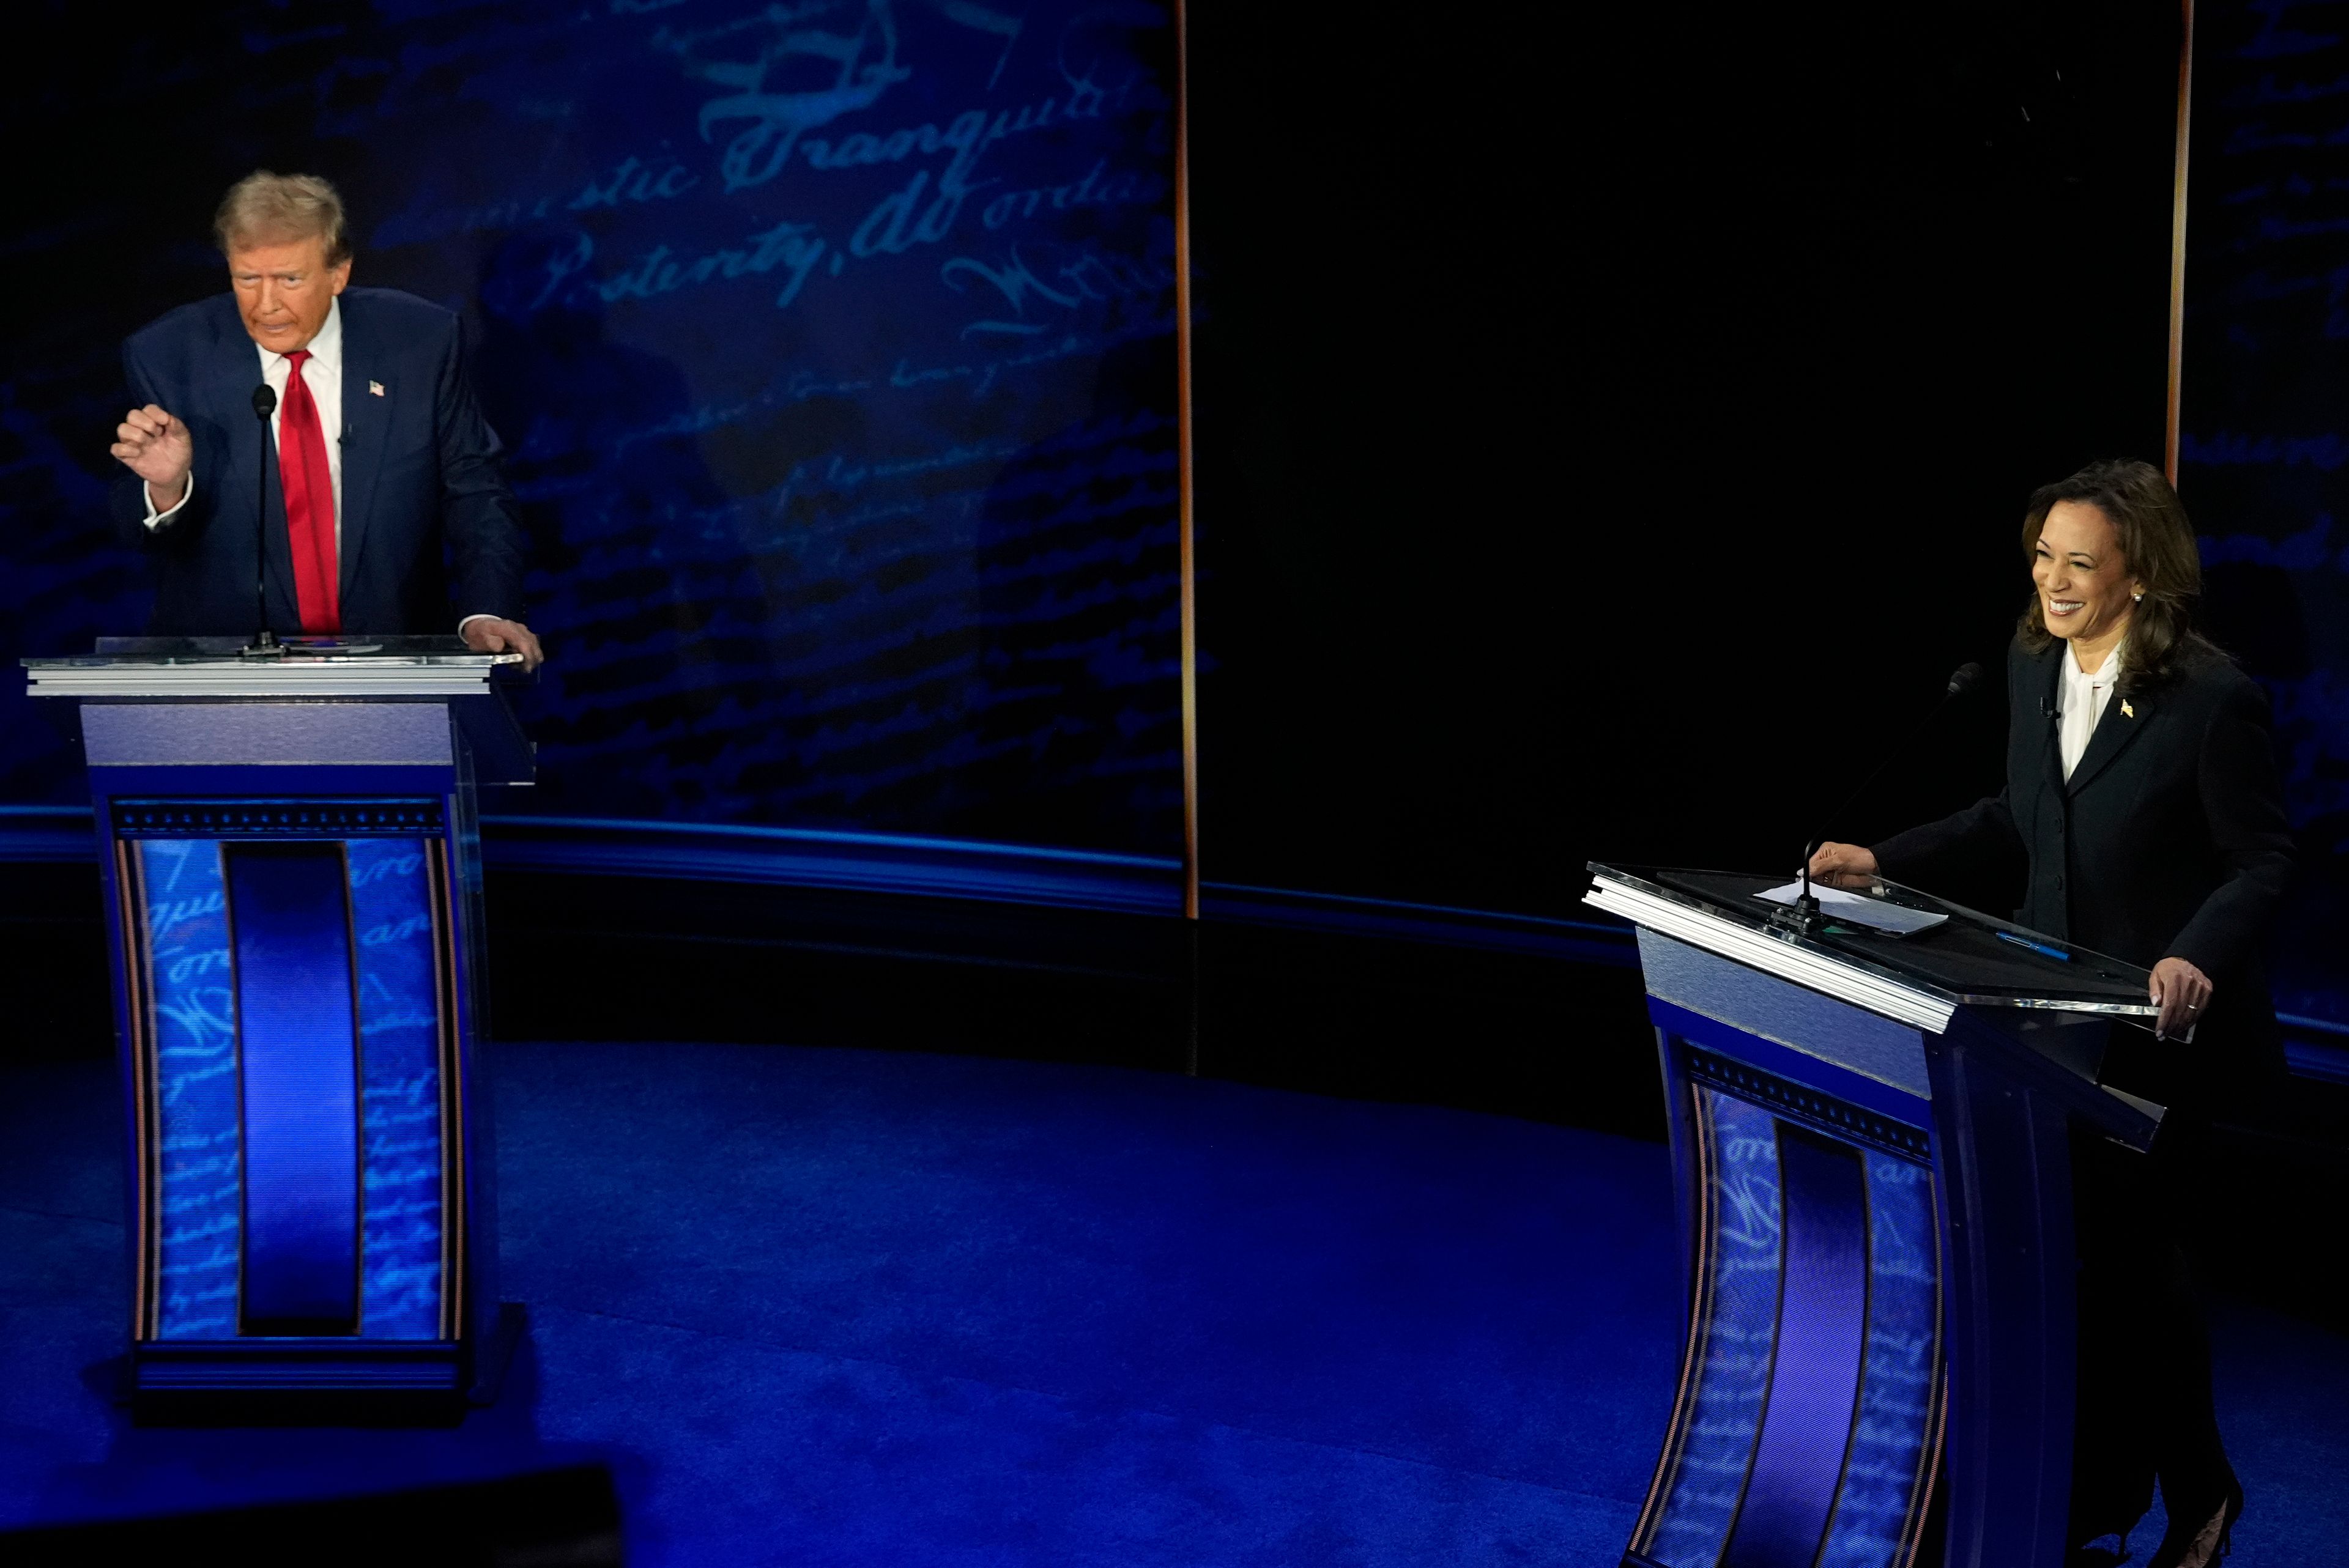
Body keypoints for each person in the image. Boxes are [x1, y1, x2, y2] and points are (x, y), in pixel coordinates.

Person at [1810, 459, 2293, 1568]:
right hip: (2045, 1024)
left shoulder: (2214, 699)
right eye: (2044, 555)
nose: (2054, 578)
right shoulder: (2032, 661)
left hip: (2162, 1037)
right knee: (2069, 1262)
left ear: (2140, 577)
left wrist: (2192, 955)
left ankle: (2203, 1493)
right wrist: (1884, 859)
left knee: (2139, 1267)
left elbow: (2264, 858)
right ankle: (2090, 1498)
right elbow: (2011, 813)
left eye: (2082, 561)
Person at [106, 171, 543, 667]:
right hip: (224, 674)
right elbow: (129, 528)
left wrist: (485, 612)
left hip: (394, 662)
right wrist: (168, 489)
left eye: (290, 279)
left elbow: (476, 490)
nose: (266, 304)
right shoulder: (168, 354)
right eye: (248, 279)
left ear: (339, 273)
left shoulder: (419, 342)